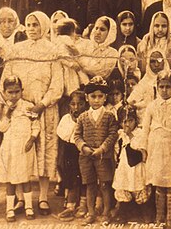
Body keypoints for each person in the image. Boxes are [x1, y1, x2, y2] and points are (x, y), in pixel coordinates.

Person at [1, 11, 64, 215]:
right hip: (21, 112)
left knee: (44, 151)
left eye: (36, 25)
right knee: (21, 153)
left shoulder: (53, 51)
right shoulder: (16, 50)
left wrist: (42, 104)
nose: (31, 29)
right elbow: (6, 80)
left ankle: (43, 197)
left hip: (44, 110)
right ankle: (21, 198)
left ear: (44, 27)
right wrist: (14, 103)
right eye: (28, 24)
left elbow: (57, 86)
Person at [139, 72, 171, 228]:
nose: (165, 90)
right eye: (162, 87)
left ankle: (170, 218)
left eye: (168, 87)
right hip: (156, 149)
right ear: (157, 88)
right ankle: (160, 217)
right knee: (159, 183)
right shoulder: (152, 106)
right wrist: (144, 149)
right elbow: (145, 128)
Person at [73, 77, 118, 224]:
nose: (97, 100)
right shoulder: (82, 117)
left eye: (100, 96)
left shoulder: (109, 116)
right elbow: (77, 136)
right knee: (90, 184)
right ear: (87, 97)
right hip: (86, 157)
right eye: (93, 96)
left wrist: (102, 149)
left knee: (105, 184)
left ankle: (106, 211)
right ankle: (91, 212)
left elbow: (113, 134)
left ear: (105, 97)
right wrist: (84, 147)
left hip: (103, 157)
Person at [0, 76, 40, 222]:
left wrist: (32, 139)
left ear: (21, 91)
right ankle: (10, 208)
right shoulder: (2, 108)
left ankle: (29, 206)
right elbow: (2, 128)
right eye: (10, 92)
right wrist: (7, 113)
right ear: (4, 92)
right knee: (10, 180)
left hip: (24, 147)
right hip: (9, 148)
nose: (14, 95)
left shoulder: (28, 106)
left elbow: (36, 125)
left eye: (16, 92)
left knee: (25, 177)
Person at [111, 106, 149, 223]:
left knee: (138, 186)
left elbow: (141, 149)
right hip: (124, 166)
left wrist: (130, 135)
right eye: (124, 121)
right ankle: (123, 213)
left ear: (135, 121)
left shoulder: (140, 133)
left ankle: (145, 212)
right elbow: (117, 150)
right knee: (124, 185)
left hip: (136, 166)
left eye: (130, 121)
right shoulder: (120, 134)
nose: (127, 124)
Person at [56, 89, 87, 221]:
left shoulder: (87, 117)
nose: (76, 107)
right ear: (69, 105)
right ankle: (71, 204)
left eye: (80, 104)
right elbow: (63, 134)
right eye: (73, 104)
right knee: (71, 177)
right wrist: (75, 123)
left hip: (83, 150)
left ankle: (83, 204)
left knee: (84, 177)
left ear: (85, 105)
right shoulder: (66, 119)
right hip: (70, 150)